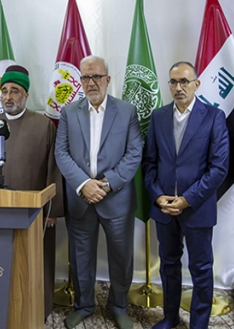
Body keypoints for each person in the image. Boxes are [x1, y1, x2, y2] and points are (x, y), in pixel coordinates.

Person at [55, 55, 142, 329]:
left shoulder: (127, 111)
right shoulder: (69, 112)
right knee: (80, 257)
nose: (91, 83)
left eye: (96, 77)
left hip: (116, 199)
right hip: (80, 199)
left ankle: (119, 307)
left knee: (121, 257)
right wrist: (84, 184)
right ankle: (83, 306)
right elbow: (61, 153)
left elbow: (134, 153)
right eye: (85, 77)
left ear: (107, 79)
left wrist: (104, 184)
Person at [0, 64, 63, 320]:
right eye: (4, 91)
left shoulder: (44, 125)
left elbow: (53, 168)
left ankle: (38, 309)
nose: (8, 96)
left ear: (26, 95)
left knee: (35, 262)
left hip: (33, 212)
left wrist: (52, 211)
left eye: (14, 91)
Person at [142, 61, 229, 329]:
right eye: (173, 82)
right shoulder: (158, 116)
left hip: (197, 208)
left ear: (196, 84)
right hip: (165, 209)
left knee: (201, 269)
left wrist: (187, 199)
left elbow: (219, 167)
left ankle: (198, 324)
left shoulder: (213, 117)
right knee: (168, 265)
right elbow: (149, 163)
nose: (178, 87)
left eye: (184, 81)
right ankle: (170, 317)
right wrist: (158, 196)